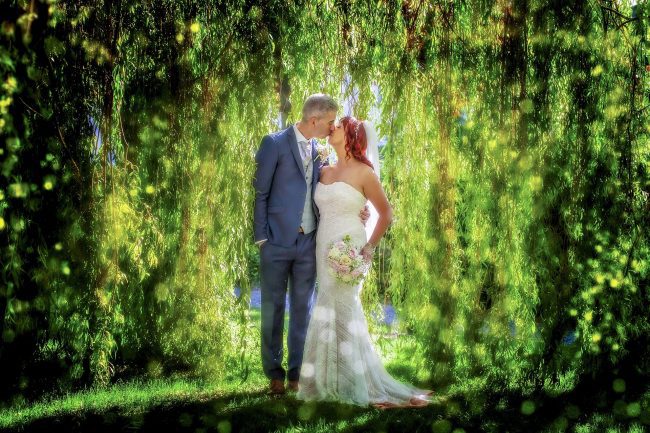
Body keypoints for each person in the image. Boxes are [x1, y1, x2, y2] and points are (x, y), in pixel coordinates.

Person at [296, 116, 432, 408]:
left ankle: (359, 382)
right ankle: (327, 379)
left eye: (339, 125)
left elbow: (386, 213)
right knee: (326, 306)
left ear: (351, 135)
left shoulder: (365, 173)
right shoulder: (324, 169)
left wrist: (369, 247)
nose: (332, 128)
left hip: (350, 246)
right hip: (323, 244)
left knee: (345, 308)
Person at [253, 95, 369, 395]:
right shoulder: (274, 144)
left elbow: (333, 190)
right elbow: (261, 193)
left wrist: (359, 209)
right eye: (330, 122)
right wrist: (262, 238)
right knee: (272, 308)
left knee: (303, 310)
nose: (333, 127)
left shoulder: (320, 153)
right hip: (275, 242)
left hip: (309, 243)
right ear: (314, 120)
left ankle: (296, 374)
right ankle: (274, 374)